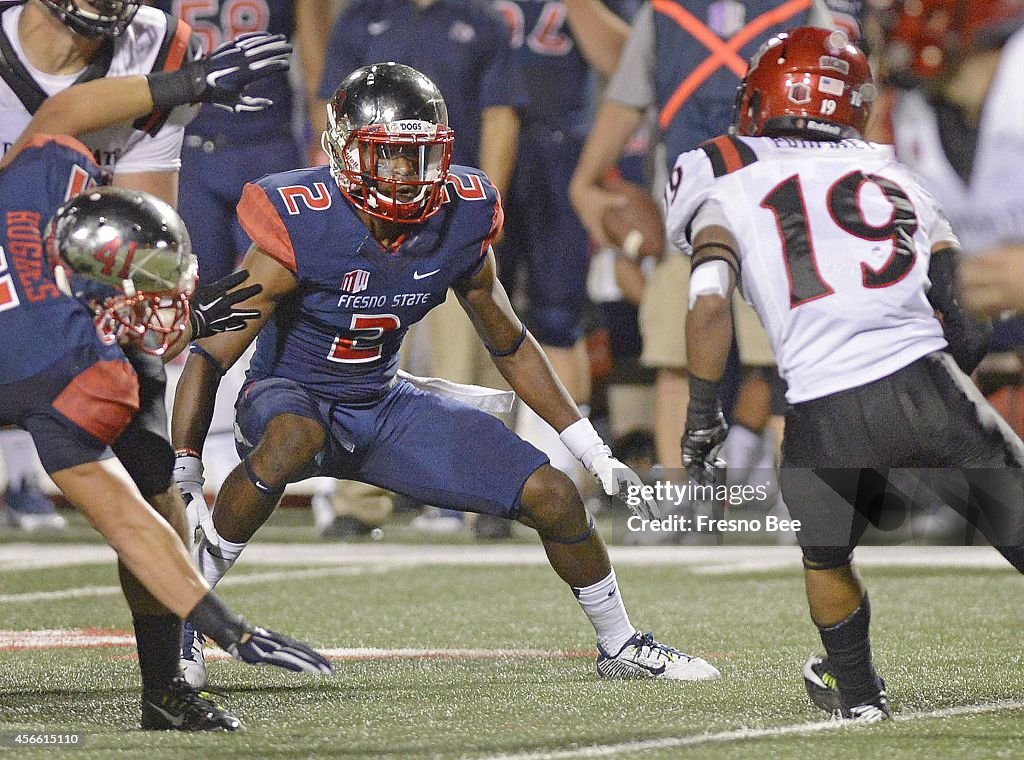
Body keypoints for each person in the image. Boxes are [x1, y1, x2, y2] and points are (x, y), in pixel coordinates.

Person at [171, 61, 721, 689]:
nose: (405, 174)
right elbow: (211, 353)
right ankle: (184, 615)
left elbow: (508, 340)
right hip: (288, 399)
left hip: (382, 402)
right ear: (346, 154)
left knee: (554, 495)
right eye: (388, 156)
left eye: (417, 155)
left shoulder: (459, 214)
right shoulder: (302, 218)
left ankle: (621, 643)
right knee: (293, 433)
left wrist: (583, 440)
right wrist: (186, 466)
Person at [671, 26, 1024, 722]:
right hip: (928, 381)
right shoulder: (897, 167)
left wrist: (702, 417)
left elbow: (709, 303)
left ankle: (860, 697)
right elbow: (967, 312)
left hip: (821, 409)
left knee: (825, 561)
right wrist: (941, 405)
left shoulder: (717, 166)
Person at [0, 134, 333, 730]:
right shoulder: (61, 362)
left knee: (155, 483)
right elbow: (124, 521)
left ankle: (164, 690)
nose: (165, 307)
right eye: (146, 290)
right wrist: (227, 626)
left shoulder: (49, 171)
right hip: (26, 357)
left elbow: (54, 134)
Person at [0, 0, 272, 530]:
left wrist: (168, 305)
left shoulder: (160, 45)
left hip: (84, 291)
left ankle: (176, 615)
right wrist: (177, 84)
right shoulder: (179, 73)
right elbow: (45, 136)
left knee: (151, 470)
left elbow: (143, 226)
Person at [569, 0, 848, 485]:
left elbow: (837, 104)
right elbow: (627, 98)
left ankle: (800, 503)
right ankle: (681, 502)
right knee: (680, 364)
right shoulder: (667, 12)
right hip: (713, 216)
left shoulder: (801, 8)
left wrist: (586, 177)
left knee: (788, 366)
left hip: (772, 217)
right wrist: (585, 179)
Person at [309, 0, 528, 537]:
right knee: (361, 359)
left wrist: (485, 211)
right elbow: (330, 115)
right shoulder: (362, 18)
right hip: (369, 221)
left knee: (466, 362)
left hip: (445, 215)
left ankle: (483, 493)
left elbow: (500, 113)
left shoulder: (481, 21)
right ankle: (360, 502)